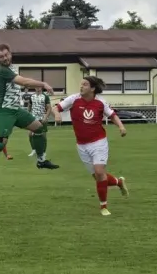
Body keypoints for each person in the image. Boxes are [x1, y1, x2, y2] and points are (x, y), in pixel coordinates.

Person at [0, 44, 59, 193]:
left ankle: (41, 161)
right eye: (1, 57)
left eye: (6, 55)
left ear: (10, 54)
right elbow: (24, 82)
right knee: (1, 143)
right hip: (4, 111)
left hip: (16, 110)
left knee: (40, 127)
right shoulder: (2, 70)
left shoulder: (13, 67)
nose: (5, 58)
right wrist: (43, 83)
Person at [52, 76, 128, 216]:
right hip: (81, 145)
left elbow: (112, 115)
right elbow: (56, 108)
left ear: (92, 88)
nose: (81, 87)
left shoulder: (100, 102)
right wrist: (57, 115)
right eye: (81, 84)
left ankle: (103, 207)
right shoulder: (74, 99)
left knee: (99, 173)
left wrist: (121, 127)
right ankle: (118, 182)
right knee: (98, 177)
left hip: (98, 142)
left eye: (85, 85)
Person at [26, 87, 52, 162]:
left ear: (41, 88)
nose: (37, 88)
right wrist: (28, 115)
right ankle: (34, 149)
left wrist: (46, 117)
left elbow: (49, 108)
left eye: (39, 87)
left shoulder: (45, 96)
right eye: (36, 87)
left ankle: (43, 152)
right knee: (30, 134)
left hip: (42, 118)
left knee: (43, 135)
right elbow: (29, 106)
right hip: (33, 118)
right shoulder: (32, 96)